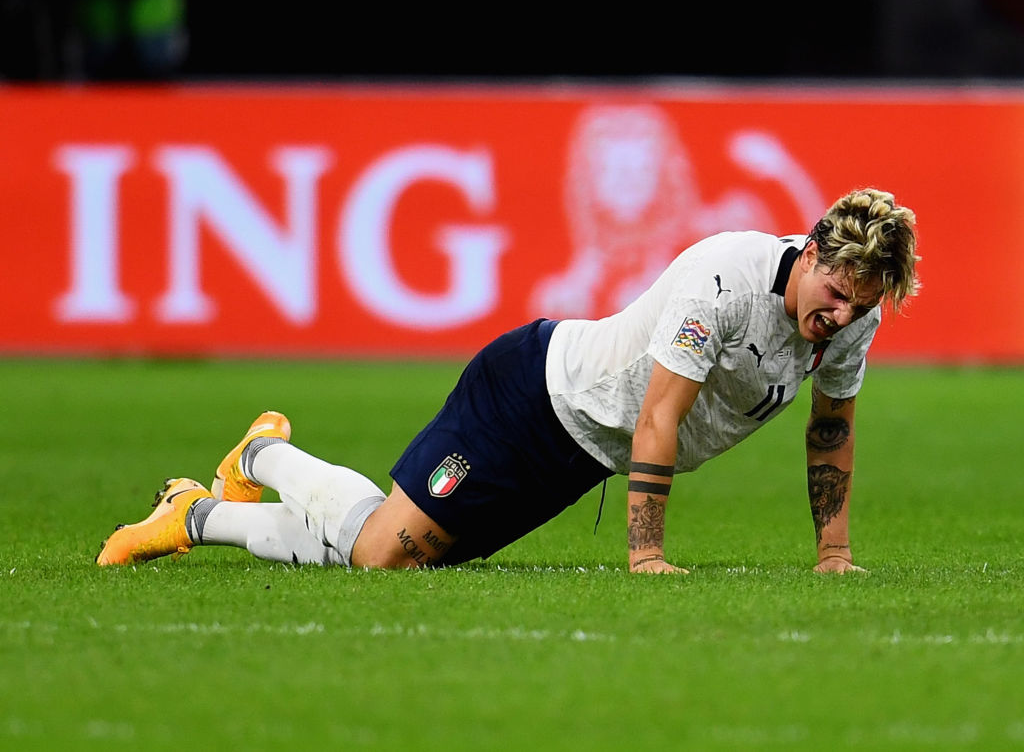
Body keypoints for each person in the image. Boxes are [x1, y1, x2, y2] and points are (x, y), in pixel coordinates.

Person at [96, 188, 919, 575]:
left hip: (580, 454)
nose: (842, 316)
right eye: (837, 294)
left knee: (402, 560)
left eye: (861, 305)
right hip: (530, 397)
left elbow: (831, 426)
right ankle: (255, 467)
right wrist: (647, 557)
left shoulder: (852, 321)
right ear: (810, 254)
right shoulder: (725, 279)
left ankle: (200, 507)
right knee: (384, 556)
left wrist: (835, 552)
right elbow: (659, 417)